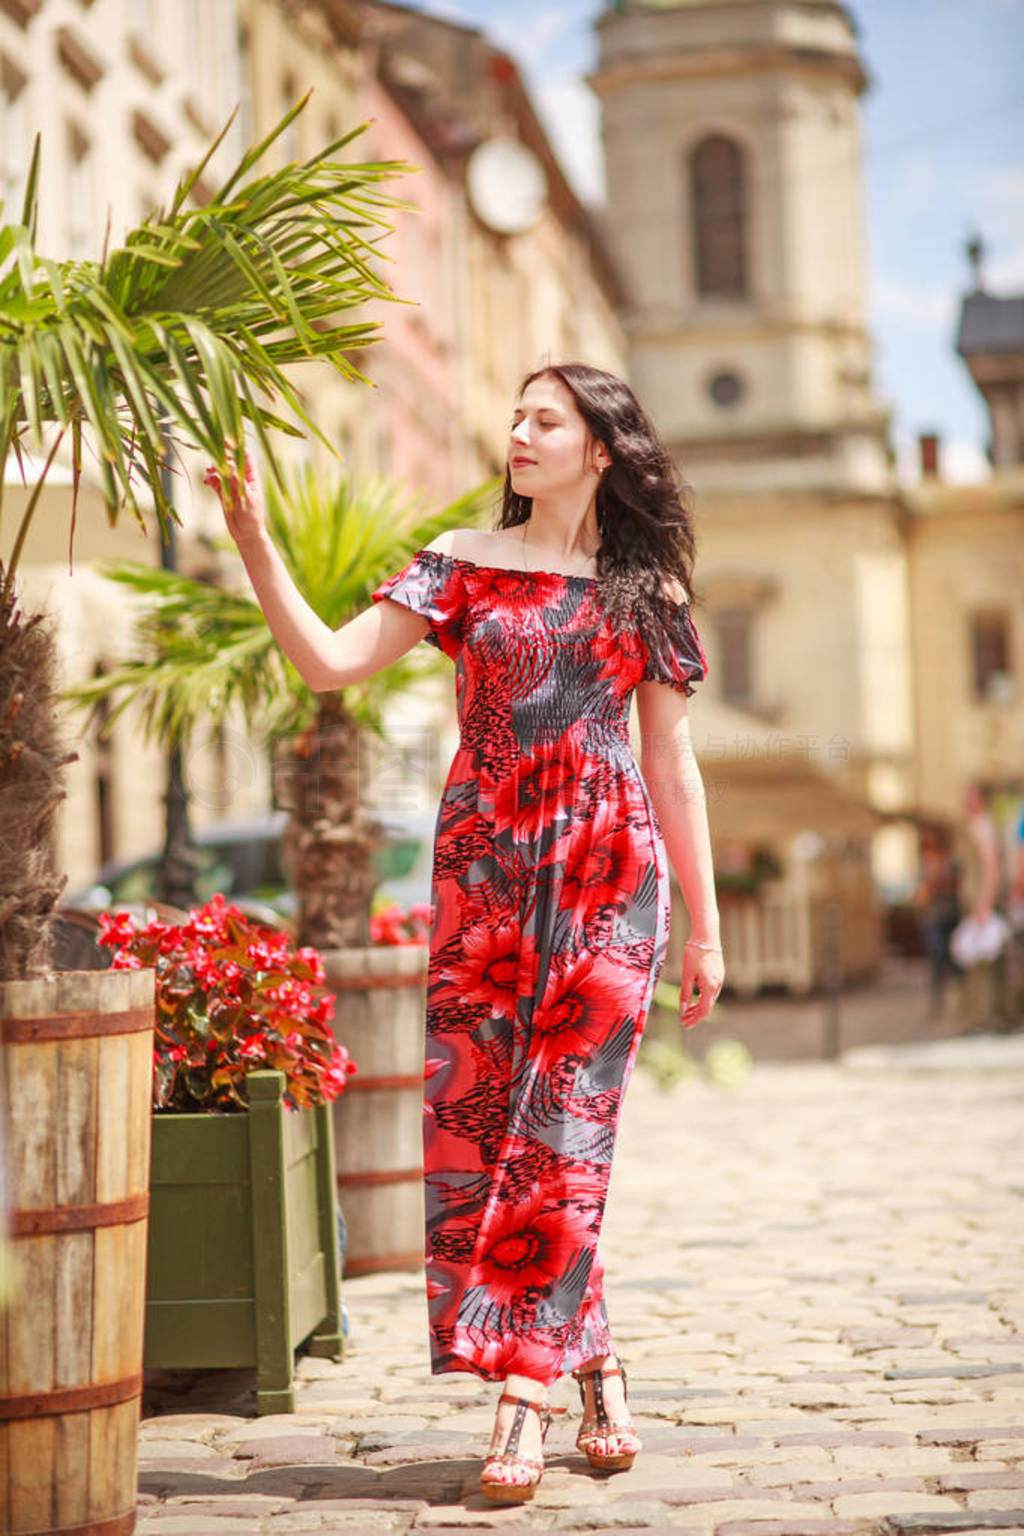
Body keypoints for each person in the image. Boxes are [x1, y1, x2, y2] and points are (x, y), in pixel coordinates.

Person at [205, 362, 723, 1505]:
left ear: (599, 448)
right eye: (516, 416)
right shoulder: (461, 567)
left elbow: (673, 767)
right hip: (485, 871)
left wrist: (705, 929)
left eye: (546, 419)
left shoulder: (650, 593)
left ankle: (523, 1401)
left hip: (605, 870)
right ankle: (598, 1370)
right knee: (490, 1131)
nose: (517, 432)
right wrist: (252, 538)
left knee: (563, 1129)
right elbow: (328, 664)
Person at [911, 825, 961, 1020]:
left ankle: (957, 1000)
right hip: (933, 920)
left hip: (949, 917)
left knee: (953, 960)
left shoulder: (950, 862)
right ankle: (939, 1002)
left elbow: (956, 887)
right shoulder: (924, 866)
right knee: (937, 960)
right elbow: (920, 895)